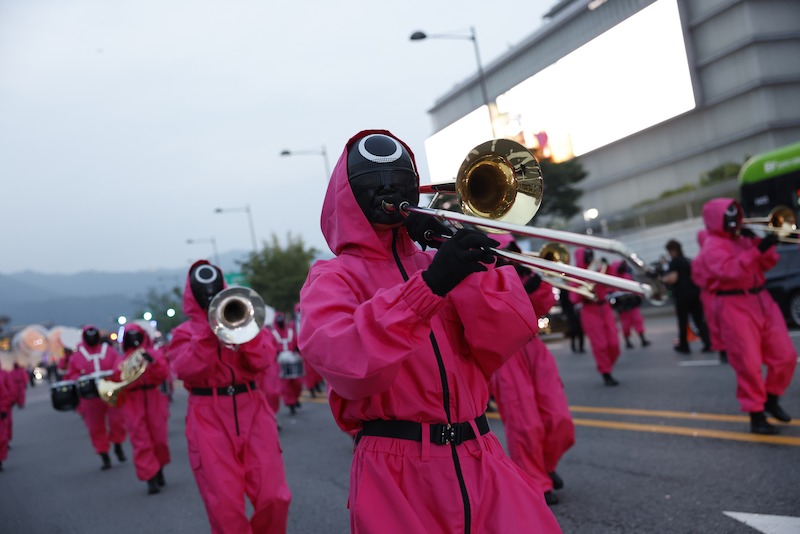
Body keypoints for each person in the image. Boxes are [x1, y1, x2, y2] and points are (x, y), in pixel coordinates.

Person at [298, 130, 562, 533]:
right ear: (349, 197)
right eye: (372, 185)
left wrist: (458, 251)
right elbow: (349, 365)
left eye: (399, 180)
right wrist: (429, 288)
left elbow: (505, 338)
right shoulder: (331, 277)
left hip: (482, 454)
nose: (388, 190)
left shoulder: (436, 258)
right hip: (396, 469)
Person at [169, 260, 291, 534]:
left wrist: (244, 333)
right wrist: (209, 332)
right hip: (207, 414)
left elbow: (264, 360)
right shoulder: (183, 333)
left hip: (253, 409)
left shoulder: (247, 320)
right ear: (193, 293)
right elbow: (187, 370)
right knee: (225, 507)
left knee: (274, 497)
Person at [691, 198, 797, 435]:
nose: (735, 220)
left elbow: (769, 263)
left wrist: (764, 243)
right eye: (729, 215)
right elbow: (728, 271)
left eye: (736, 214)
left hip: (761, 300)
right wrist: (756, 250)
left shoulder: (743, 239)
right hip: (734, 305)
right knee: (748, 364)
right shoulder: (712, 246)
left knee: (786, 356)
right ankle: (756, 415)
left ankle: (771, 398)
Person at [489, 237, 575, 506]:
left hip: (534, 347)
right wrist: (525, 287)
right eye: (506, 253)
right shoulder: (482, 274)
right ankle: (536, 481)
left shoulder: (524, 271)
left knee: (559, 418)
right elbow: (494, 310)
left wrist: (537, 279)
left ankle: (546, 466)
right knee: (525, 424)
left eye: (513, 252)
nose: (511, 256)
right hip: (506, 353)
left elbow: (544, 305)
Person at [117, 324, 171, 495]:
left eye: (137, 335)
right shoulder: (121, 361)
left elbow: (163, 374)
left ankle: (159, 468)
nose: (134, 339)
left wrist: (152, 362)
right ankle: (150, 477)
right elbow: (118, 379)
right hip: (133, 401)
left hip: (153, 398)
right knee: (141, 441)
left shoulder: (153, 354)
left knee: (159, 438)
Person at [66, 325, 128, 470]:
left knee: (117, 421)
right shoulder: (77, 355)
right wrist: (80, 378)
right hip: (90, 397)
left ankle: (118, 445)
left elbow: (118, 367)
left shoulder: (109, 351)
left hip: (110, 392)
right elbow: (71, 374)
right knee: (95, 427)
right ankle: (104, 454)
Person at [570, 248, 622, 386]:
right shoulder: (575, 275)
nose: (590, 258)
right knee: (600, 345)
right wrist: (585, 281)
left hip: (604, 307)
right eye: (587, 255)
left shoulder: (598, 269)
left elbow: (611, 282)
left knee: (614, 342)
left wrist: (607, 266)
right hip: (589, 310)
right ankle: (606, 372)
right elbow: (574, 297)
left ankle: (607, 365)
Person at [661, 239, 712, 354]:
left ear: (672, 250)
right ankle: (708, 343)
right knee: (699, 319)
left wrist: (662, 279)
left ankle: (684, 346)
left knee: (683, 321)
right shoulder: (688, 260)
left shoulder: (675, 262)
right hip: (695, 292)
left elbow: (673, 278)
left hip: (682, 295)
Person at [694, 230, 727, 363]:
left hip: (708, 294)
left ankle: (721, 350)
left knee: (714, 324)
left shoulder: (698, 260)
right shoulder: (718, 253)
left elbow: (697, 279)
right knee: (726, 322)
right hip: (723, 293)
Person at [609, 261, 650, 349]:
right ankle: (627, 341)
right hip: (623, 307)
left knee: (638, 320)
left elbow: (634, 287)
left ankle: (642, 339)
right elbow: (611, 293)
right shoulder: (613, 280)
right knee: (626, 324)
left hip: (632, 304)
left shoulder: (627, 276)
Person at [271, 311, 303, 416]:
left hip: (293, 359)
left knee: (297, 383)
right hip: (281, 362)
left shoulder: (290, 331)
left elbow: (296, 342)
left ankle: (295, 398)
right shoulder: (273, 333)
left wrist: (298, 350)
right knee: (286, 385)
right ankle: (291, 403)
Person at [560, 289, 584, 353]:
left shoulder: (577, 286)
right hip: (570, 312)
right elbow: (563, 302)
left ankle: (581, 347)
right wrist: (564, 313)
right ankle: (573, 346)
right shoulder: (564, 289)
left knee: (581, 330)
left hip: (579, 311)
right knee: (573, 329)